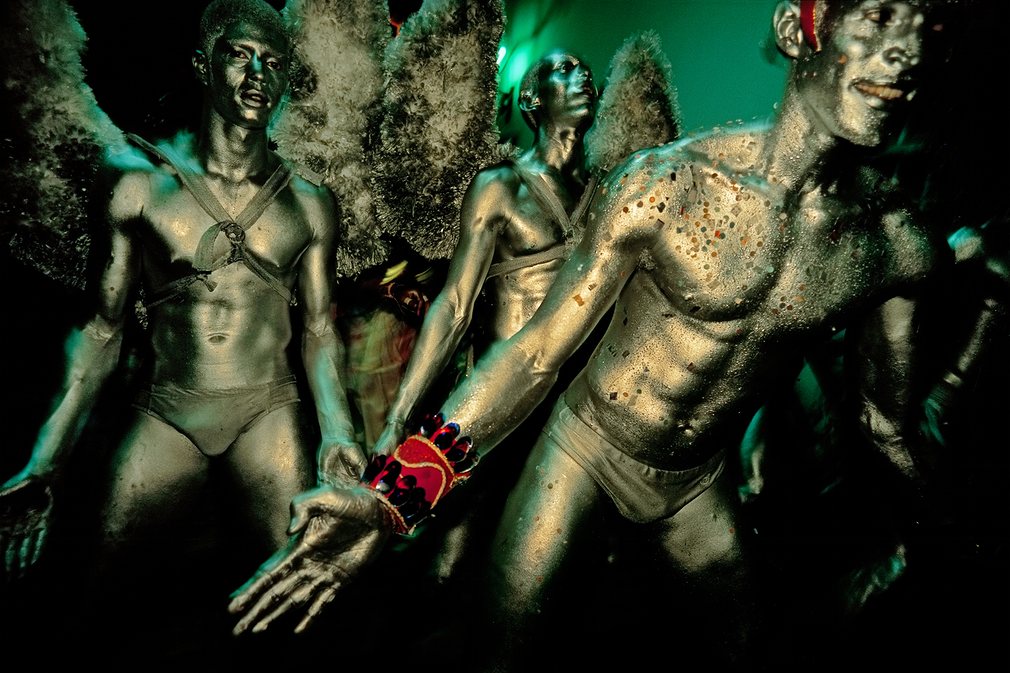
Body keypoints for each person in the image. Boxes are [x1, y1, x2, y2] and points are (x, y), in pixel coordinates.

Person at [229, 1, 952, 668]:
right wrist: (396, 495)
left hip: (696, 481)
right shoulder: (665, 184)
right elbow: (535, 352)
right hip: (583, 445)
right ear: (799, 30)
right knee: (496, 647)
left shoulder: (897, 246)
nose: (906, 49)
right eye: (879, 15)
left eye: (927, 28)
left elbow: (883, 421)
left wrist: (940, 542)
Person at [0, 0, 362, 659]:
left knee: (298, 603)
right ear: (202, 65)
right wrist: (46, 458)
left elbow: (319, 330)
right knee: (79, 602)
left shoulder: (311, 204)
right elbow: (101, 330)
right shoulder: (138, 185)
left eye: (273, 62)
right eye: (240, 55)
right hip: (166, 410)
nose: (258, 74)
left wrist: (338, 432)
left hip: (267, 411)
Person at [369, 50, 600, 585]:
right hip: (496, 408)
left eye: (586, 70)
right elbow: (454, 306)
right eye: (564, 69)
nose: (583, 75)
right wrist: (398, 420)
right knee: (443, 568)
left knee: (548, 578)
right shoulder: (501, 186)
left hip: (575, 416)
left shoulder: (609, 194)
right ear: (531, 99)